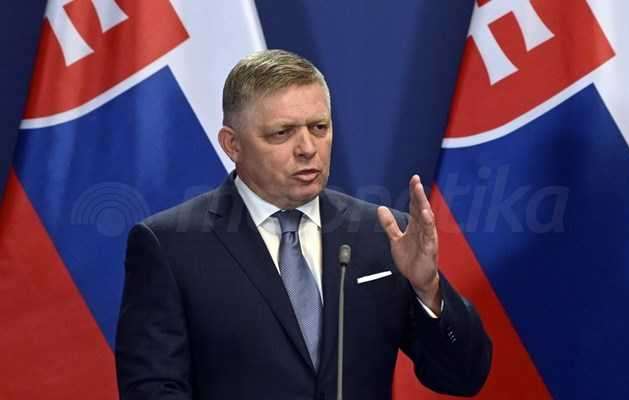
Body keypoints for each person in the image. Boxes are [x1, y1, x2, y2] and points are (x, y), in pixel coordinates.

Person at [115, 49, 492, 400]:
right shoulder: (171, 246)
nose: (308, 148)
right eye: (282, 133)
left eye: (319, 127)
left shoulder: (381, 234)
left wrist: (428, 289)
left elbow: (464, 377)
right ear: (232, 144)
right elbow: (153, 390)